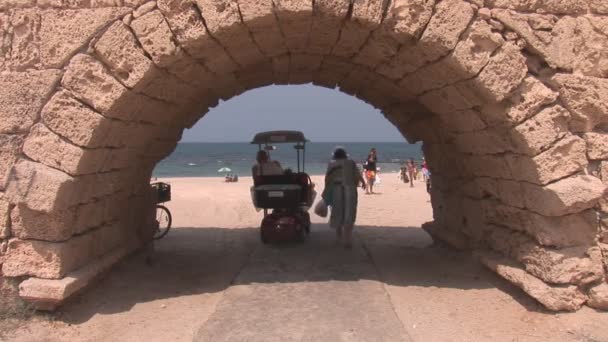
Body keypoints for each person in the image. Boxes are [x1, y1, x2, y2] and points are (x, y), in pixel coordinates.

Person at [324, 147, 366, 249]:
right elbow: (357, 174)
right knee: (349, 214)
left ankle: (339, 238)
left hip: (336, 190)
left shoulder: (331, 164)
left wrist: (326, 191)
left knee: (337, 212)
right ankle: (347, 240)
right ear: (344, 155)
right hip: (350, 190)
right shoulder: (350, 162)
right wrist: (362, 182)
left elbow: (328, 178)